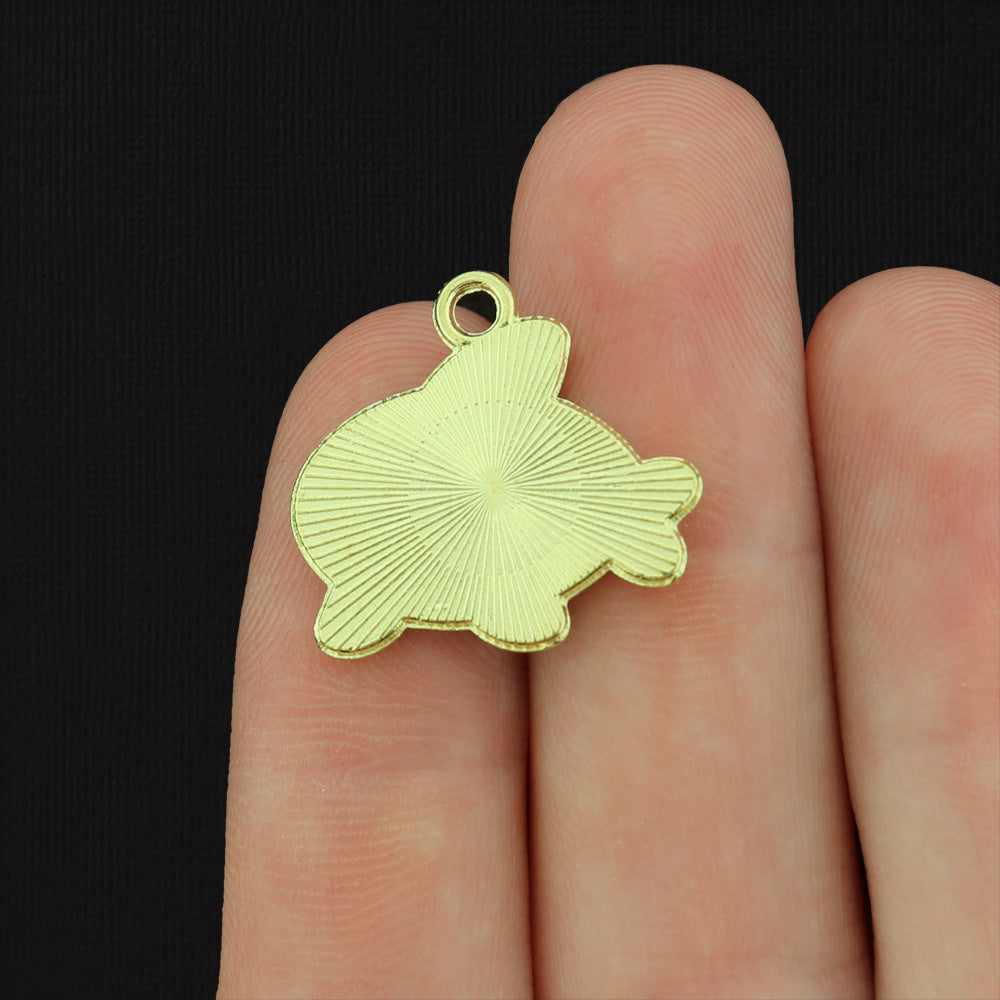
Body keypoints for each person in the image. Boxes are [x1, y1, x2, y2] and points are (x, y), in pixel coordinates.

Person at [216, 66, 998, 999]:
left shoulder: (487, 415)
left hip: (503, 499)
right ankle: (590, 522)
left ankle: (603, 515)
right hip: (439, 535)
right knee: (513, 566)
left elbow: (529, 372)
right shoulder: (418, 467)